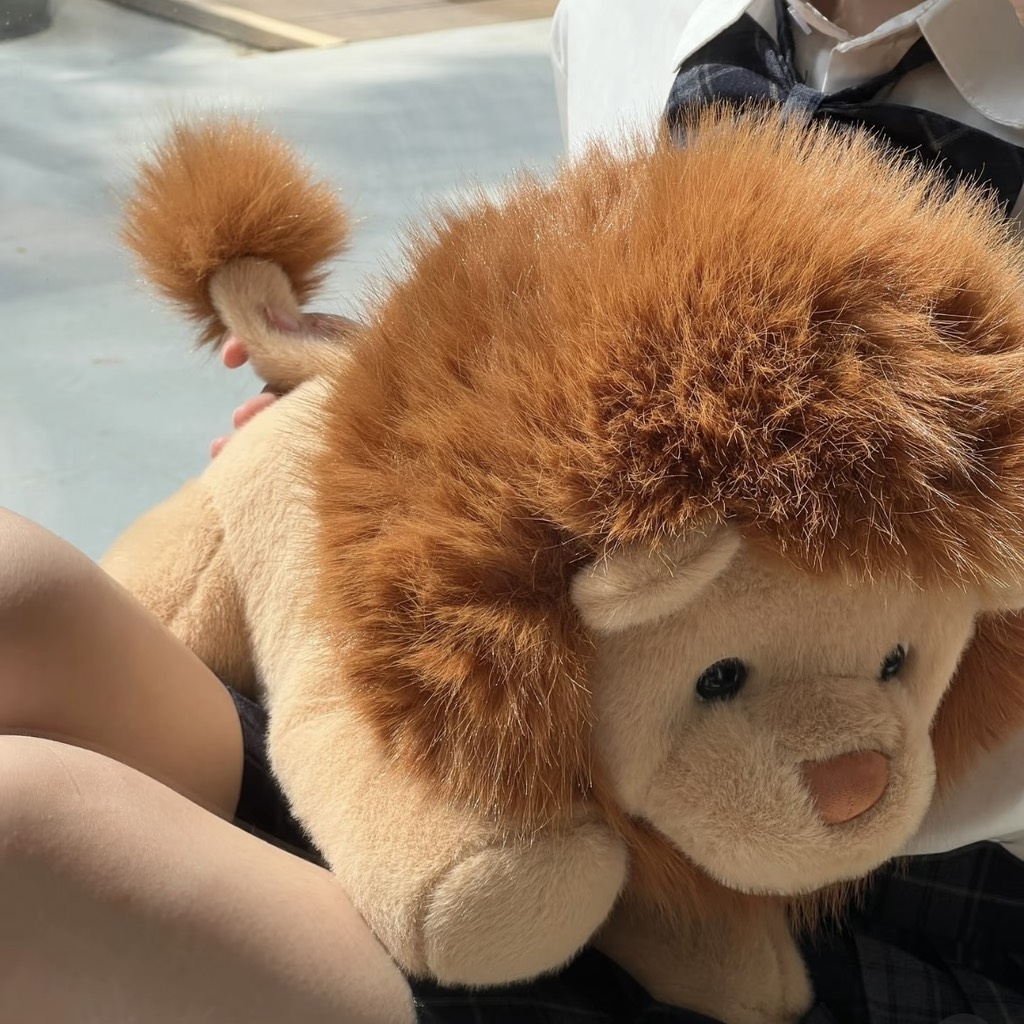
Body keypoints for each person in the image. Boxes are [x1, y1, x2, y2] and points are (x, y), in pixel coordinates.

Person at [4, 3, 1024, 1023]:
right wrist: (422, 413)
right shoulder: (632, 19)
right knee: (20, 602)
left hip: (917, 884)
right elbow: (612, 354)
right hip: (576, 743)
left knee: (28, 837)